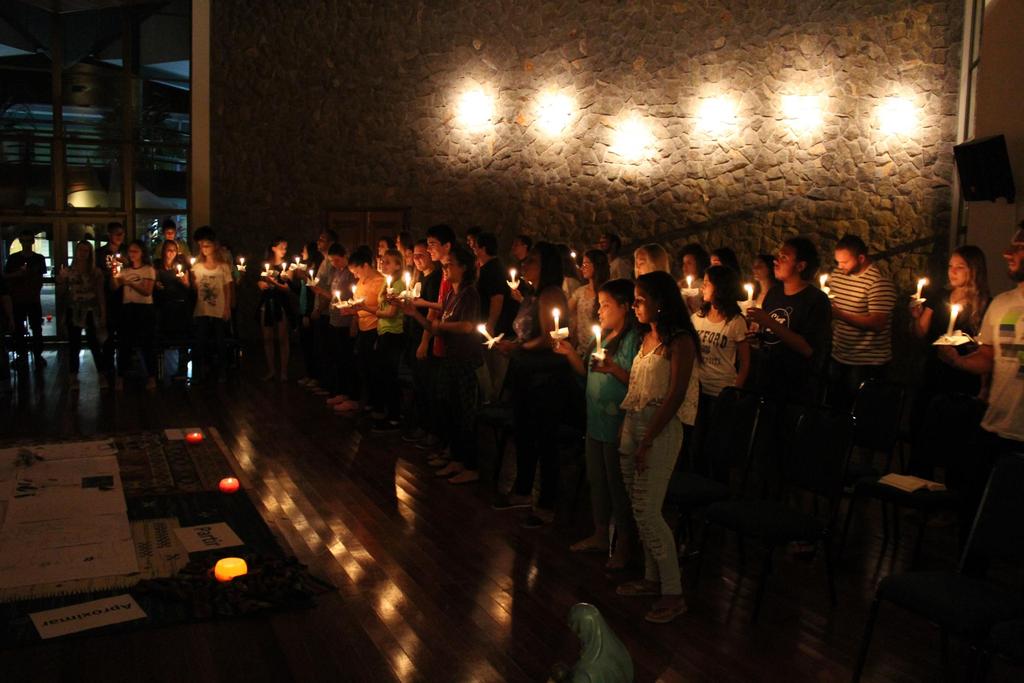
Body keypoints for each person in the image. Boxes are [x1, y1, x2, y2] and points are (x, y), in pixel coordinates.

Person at [615, 271, 699, 624]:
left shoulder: (679, 342)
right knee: (639, 507)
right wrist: (628, 431)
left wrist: (648, 437)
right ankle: (652, 578)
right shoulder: (645, 337)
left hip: (661, 429)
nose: (633, 307)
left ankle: (673, 591)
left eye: (639, 300)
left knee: (648, 510)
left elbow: (675, 394)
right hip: (634, 422)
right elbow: (637, 386)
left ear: (660, 302)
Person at [935, 225, 1024, 532]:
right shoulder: (1002, 304)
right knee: (976, 518)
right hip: (996, 425)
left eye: (1019, 246)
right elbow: (988, 357)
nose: (1007, 252)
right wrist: (958, 361)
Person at [492, 242, 579, 527]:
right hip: (527, 372)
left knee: (545, 439)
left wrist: (519, 348)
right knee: (525, 433)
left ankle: (547, 503)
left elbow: (552, 336)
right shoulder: (533, 294)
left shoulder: (551, 294)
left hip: (545, 376)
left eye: (532, 261)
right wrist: (515, 345)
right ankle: (523, 490)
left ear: (546, 266)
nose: (525, 265)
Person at [555, 278, 639, 570]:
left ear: (625, 307)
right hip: (595, 420)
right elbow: (586, 372)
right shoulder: (600, 336)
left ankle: (625, 544)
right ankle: (601, 534)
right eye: (599, 305)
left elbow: (638, 384)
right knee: (598, 481)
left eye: (606, 305)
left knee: (618, 486)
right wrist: (569, 355)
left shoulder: (632, 341)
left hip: (617, 421)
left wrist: (613, 368)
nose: (599, 311)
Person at [907, 245, 990, 480]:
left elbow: (987, 350)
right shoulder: (938, 297)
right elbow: (920, 332)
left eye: (959, 267)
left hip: (963, 380)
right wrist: (915, 318)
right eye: (950, 267)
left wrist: (984, 388)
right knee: (922, 433)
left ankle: (948, 500)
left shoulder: (985, 304)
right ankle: (917, 490)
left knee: (956, 441)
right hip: (934, 374)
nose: (952, 272)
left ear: (974, 271)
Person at [403, 243, 482, 484]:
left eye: (449, 265)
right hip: (450, 360)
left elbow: (468, 326)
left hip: (465, 363)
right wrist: (413, 313)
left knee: (465, 414)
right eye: (444, 265)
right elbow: (434, 327)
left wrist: (441, 327)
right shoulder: (450, 294)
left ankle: (470, 465)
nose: (445, 269)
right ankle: (456, 459)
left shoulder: (470, 294)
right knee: (450, 411)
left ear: (464, 267)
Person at [747, 237, 831, 405]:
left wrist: (769, 322)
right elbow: (774, 335)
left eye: (784, 257)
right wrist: (759, 337)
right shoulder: (774, 294)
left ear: (800, 266)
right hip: (768, 379)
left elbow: (808, 349)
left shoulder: (816, 300)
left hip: (795, 387)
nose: (776, 261)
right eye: (777, 256)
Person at [825, 235, 898, 410]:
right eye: (837, 262)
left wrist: (839, 314)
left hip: (867, 363)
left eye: (844, 262)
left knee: (862, 412)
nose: (839, 267)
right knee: (836, 409)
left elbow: (877, 323)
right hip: (839, 355)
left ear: (861, 258)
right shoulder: (837, 275)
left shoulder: (878, 282)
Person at [690, 265, 751, 475]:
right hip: (697, 390)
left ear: (721, 288)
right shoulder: (697, 318)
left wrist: (735, 391)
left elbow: (745, 361)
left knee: (715, 445)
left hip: (721, 393)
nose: (703, 287)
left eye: (707, 283)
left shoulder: (735, 322)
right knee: (696, 443)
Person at [403, 239, 443, 445]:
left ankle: (431, 430)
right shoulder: (420, 278)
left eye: (421, 255)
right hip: (414, 333)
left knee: (428, 386)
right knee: (418, 384)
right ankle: (421, 426)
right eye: (414, 255)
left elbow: (432, 311)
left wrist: (424, 341)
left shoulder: (436, 279)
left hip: (424, 336)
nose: (417, 259)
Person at [56, 240, 106, 388]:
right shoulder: (69, 270)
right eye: (80, 250)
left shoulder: (95, 271)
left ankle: (102, 375)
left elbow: (100, 293)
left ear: (90, 253)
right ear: (76, 252)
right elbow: (62, 292)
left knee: (94, 343)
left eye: (86, 250)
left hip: (90, 309)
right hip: (74, 309)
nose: (83, 253)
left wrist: (103, 313)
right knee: (74, 344)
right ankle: (73, 377)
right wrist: (61, 280)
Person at [474, 232, 516, 403]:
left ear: (483, 248)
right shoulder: (489, 267)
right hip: (492, 327)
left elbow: (497, 298)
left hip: (496, 329)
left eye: (475, 246)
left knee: (495, 370)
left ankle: (493, 404)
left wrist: (491, 324)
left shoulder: (493, 269)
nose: (473, 250)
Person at [112, 240, 157, 391]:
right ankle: (120, 377)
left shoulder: (148, 269)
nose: (132, 254)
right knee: (124, 344)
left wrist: (129, 283)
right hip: (128, 309)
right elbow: (115, 286)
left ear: (142, 253)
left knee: (147, 344)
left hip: (144, 309)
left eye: (135, 251)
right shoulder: (125, 270)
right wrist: (114, 275)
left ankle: (151, 377)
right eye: (130, 251)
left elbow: (147, 291)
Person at [370, 248, 406, 431]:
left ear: (398, 265)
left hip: (393, 334)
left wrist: (368, 310)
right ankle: (384, 412)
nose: (383, 264)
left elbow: (391, 313)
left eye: (388, 262)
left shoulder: (398, 285)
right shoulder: (387, 282)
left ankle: (394, 417)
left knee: (389, 375)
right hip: (383, 332)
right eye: (382, 261)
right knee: (381, 374)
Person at [347, 245, 386, 412]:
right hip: (362, 329)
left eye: (356, 271)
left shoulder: (381, 282)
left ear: (365, 265)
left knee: (374, 369)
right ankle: (367, 401)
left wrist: (360, 308)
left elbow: (382, 309)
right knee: (362, 367)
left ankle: (376, 404)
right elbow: (357, 304)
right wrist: (352, 312)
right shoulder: (361, 282)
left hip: (374, 330)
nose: (355, 275)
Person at [191, 233, 234, 382]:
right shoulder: (197, 266)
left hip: (219, 308)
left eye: (207, 245)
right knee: (200, 340)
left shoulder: (223, 267)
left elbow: (227, 288)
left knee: (220, 340)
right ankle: (200, 370)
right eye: (202, 246)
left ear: (214, 246)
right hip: (202, 308)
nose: (204, 248)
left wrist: (227, 307)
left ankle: (222, 370)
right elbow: (195, 288)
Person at [3, 228, 48, 369]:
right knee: (19, 330)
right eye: (25, 241)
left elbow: (40, 279)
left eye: (29, 241)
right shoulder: (14, 258)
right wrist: (18, 275)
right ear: (21, 241)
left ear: (32, 241)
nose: (27, 243)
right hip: (18, 298)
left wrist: (35, 290)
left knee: (36, 328)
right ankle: (22, 355)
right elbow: (6, 276)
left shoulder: (38, 258)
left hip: (32, 298)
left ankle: (37, 355)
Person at [153, 240, 193, 381]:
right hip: (163, 305)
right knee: (161, 337)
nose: (170, 253)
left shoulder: (181, 266)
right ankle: (159, 371)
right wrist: (156, 285)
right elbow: (154, 281)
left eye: (173, 250)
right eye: (168, 250)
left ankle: (182, 369)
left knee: (182, 338)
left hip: (180, 305)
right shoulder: (157, 266)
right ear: (163, 251)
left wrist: (185, 282)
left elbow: (189, 287)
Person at [256, 237, 293, 381]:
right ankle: (271, 370)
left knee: (283, 338)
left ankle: (283, 372)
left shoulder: (287, 265)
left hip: (281, 303)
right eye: (281, 247)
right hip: (267, 303)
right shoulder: (266, 265)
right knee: (268, 338)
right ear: (273, 248)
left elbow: (287, 288)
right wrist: (261, 284)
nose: (284, 250)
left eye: (285, 248)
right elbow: (260, 280)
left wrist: (274, 283)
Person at [96, 222, 127, 386]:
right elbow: (98, 277)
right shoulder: (101, 253)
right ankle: (108, 371)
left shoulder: (127, 252)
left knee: (123, 338)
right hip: (107, 299)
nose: (120, 237)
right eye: (116, 234)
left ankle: (121, 373)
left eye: (122, 234)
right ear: (109, 234)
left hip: (124, 298)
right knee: (107, 339)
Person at [569, 250, 610, 355]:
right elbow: (566, 310)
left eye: (586, 264)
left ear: (597, 265)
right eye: (582, 264)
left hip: (602, 348)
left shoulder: (608, 291)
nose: (582, 268)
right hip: (582, 350)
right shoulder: (580, 292)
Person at [296, 241, 324, 387]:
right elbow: (300, 290)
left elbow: (313, 291)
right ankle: (309, 374)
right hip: (303, 308)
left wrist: (307, 313)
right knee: (305, 344)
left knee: (313, 345)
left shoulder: (317, 267)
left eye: (304, 250)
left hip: (311, 310)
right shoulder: (306, 267)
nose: (302, 253)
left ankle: (315, 376)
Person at [678, 243, 710, 315]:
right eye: (684, 263)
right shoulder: (680, 285)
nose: (684, 267)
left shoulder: (703, 286)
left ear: (698, 265)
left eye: (689, 263)